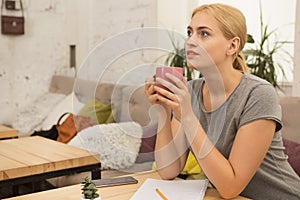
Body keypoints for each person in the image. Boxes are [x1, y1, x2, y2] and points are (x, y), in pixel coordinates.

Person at [145, 3, 300, 200]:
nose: (190, 41)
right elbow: (168, 170)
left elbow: (230, 187)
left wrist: (188, 116)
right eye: (190, 32)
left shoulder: (258, 94)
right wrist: (164, 110)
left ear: (232, 45)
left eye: (204, 34)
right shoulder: (190, 91)